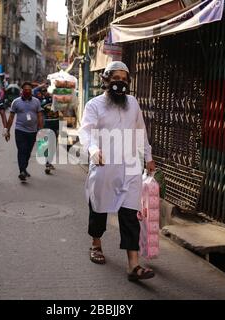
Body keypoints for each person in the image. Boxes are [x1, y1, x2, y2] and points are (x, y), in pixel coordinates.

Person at [78, 61, 156, 281]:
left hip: (131, 167)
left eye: (123, 80)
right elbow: (86, 132)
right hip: (105, 166)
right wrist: (93, 149)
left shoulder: (132, 103)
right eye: (115, 79)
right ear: (105, 80)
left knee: (130, 214)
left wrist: (148, 157)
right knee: (99, 207)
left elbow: (141, 131)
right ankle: (96, 244)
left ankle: (133, 265)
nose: (120, 84)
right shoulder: (94, 105)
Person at [6, 82, 43, 181]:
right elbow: (11, 117)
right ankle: (22, 171)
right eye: (25, 89)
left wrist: (41, 129)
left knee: (28, 152)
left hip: (33, 131)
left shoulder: (36, 102)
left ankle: (24, 168)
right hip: (20, 130)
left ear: (31, 90)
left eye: (29, 89)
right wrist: (7, 130)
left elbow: (39, 116)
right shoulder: (16, 102)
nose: (27, 91)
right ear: (22, 91)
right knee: (22, 150)